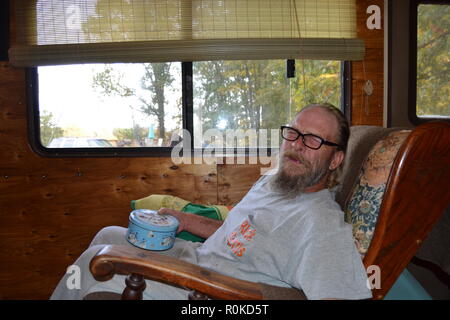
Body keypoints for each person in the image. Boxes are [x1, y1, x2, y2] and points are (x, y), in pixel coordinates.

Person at [50, 103, 372, 300]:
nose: (297, 145)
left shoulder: (321, 224)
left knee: (93, 262)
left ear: (335, 160)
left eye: (314, 140)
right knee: (108, 234)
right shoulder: (277, 183)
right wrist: (185, 220)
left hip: (208, 291)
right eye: (293, 133)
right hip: (198, 258)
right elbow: (237, 234)